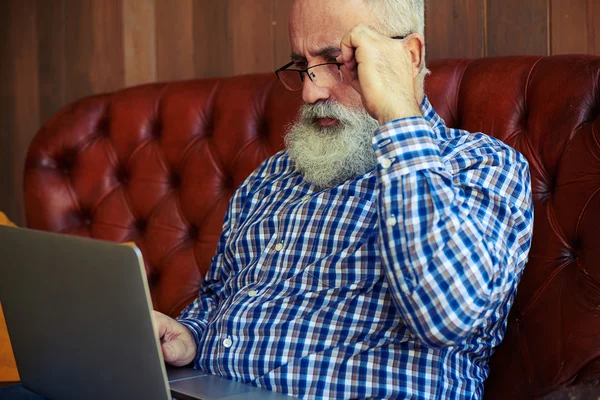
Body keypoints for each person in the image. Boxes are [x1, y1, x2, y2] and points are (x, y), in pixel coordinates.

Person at [1, 0, 533, 398]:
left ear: (408, 56)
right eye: (303, 65)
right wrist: (189, 334)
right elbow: (220, 301)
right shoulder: (273, 178)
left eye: (339, 61)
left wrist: (398, 116)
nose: (309, 91)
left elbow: (447, 314)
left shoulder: (481, 167)